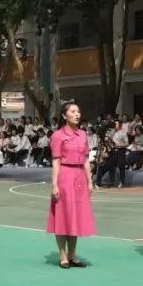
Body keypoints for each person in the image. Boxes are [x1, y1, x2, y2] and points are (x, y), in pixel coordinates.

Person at [47, 101, 96, 268]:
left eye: (78, 111)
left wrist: (90, 181)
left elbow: (86, 160)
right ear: (64, 116)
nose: (77, 114)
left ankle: (72, 254)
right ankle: (62, 255)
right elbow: (56, 162)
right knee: (63, 215)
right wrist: (54, 185)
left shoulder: (83, 135)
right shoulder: (58, 136)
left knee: (76, 215)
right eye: (73, 111)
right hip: (65, 177)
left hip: (80, 177)